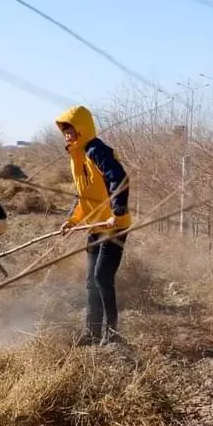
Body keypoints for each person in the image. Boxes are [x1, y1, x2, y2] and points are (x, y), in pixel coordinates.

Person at [55, 105, 132, 347]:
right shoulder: (75, 157)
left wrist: (117, 212)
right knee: (91, 280)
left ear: (81, 128)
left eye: (70, 129)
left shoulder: (95, 150)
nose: (67, 134)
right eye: (64, 130)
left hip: (114, 226)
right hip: (95, 227)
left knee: (101, 277)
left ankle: (112, 333)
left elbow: (119, 178)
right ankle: (92, 333)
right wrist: (72, 221)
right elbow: (83, 197)